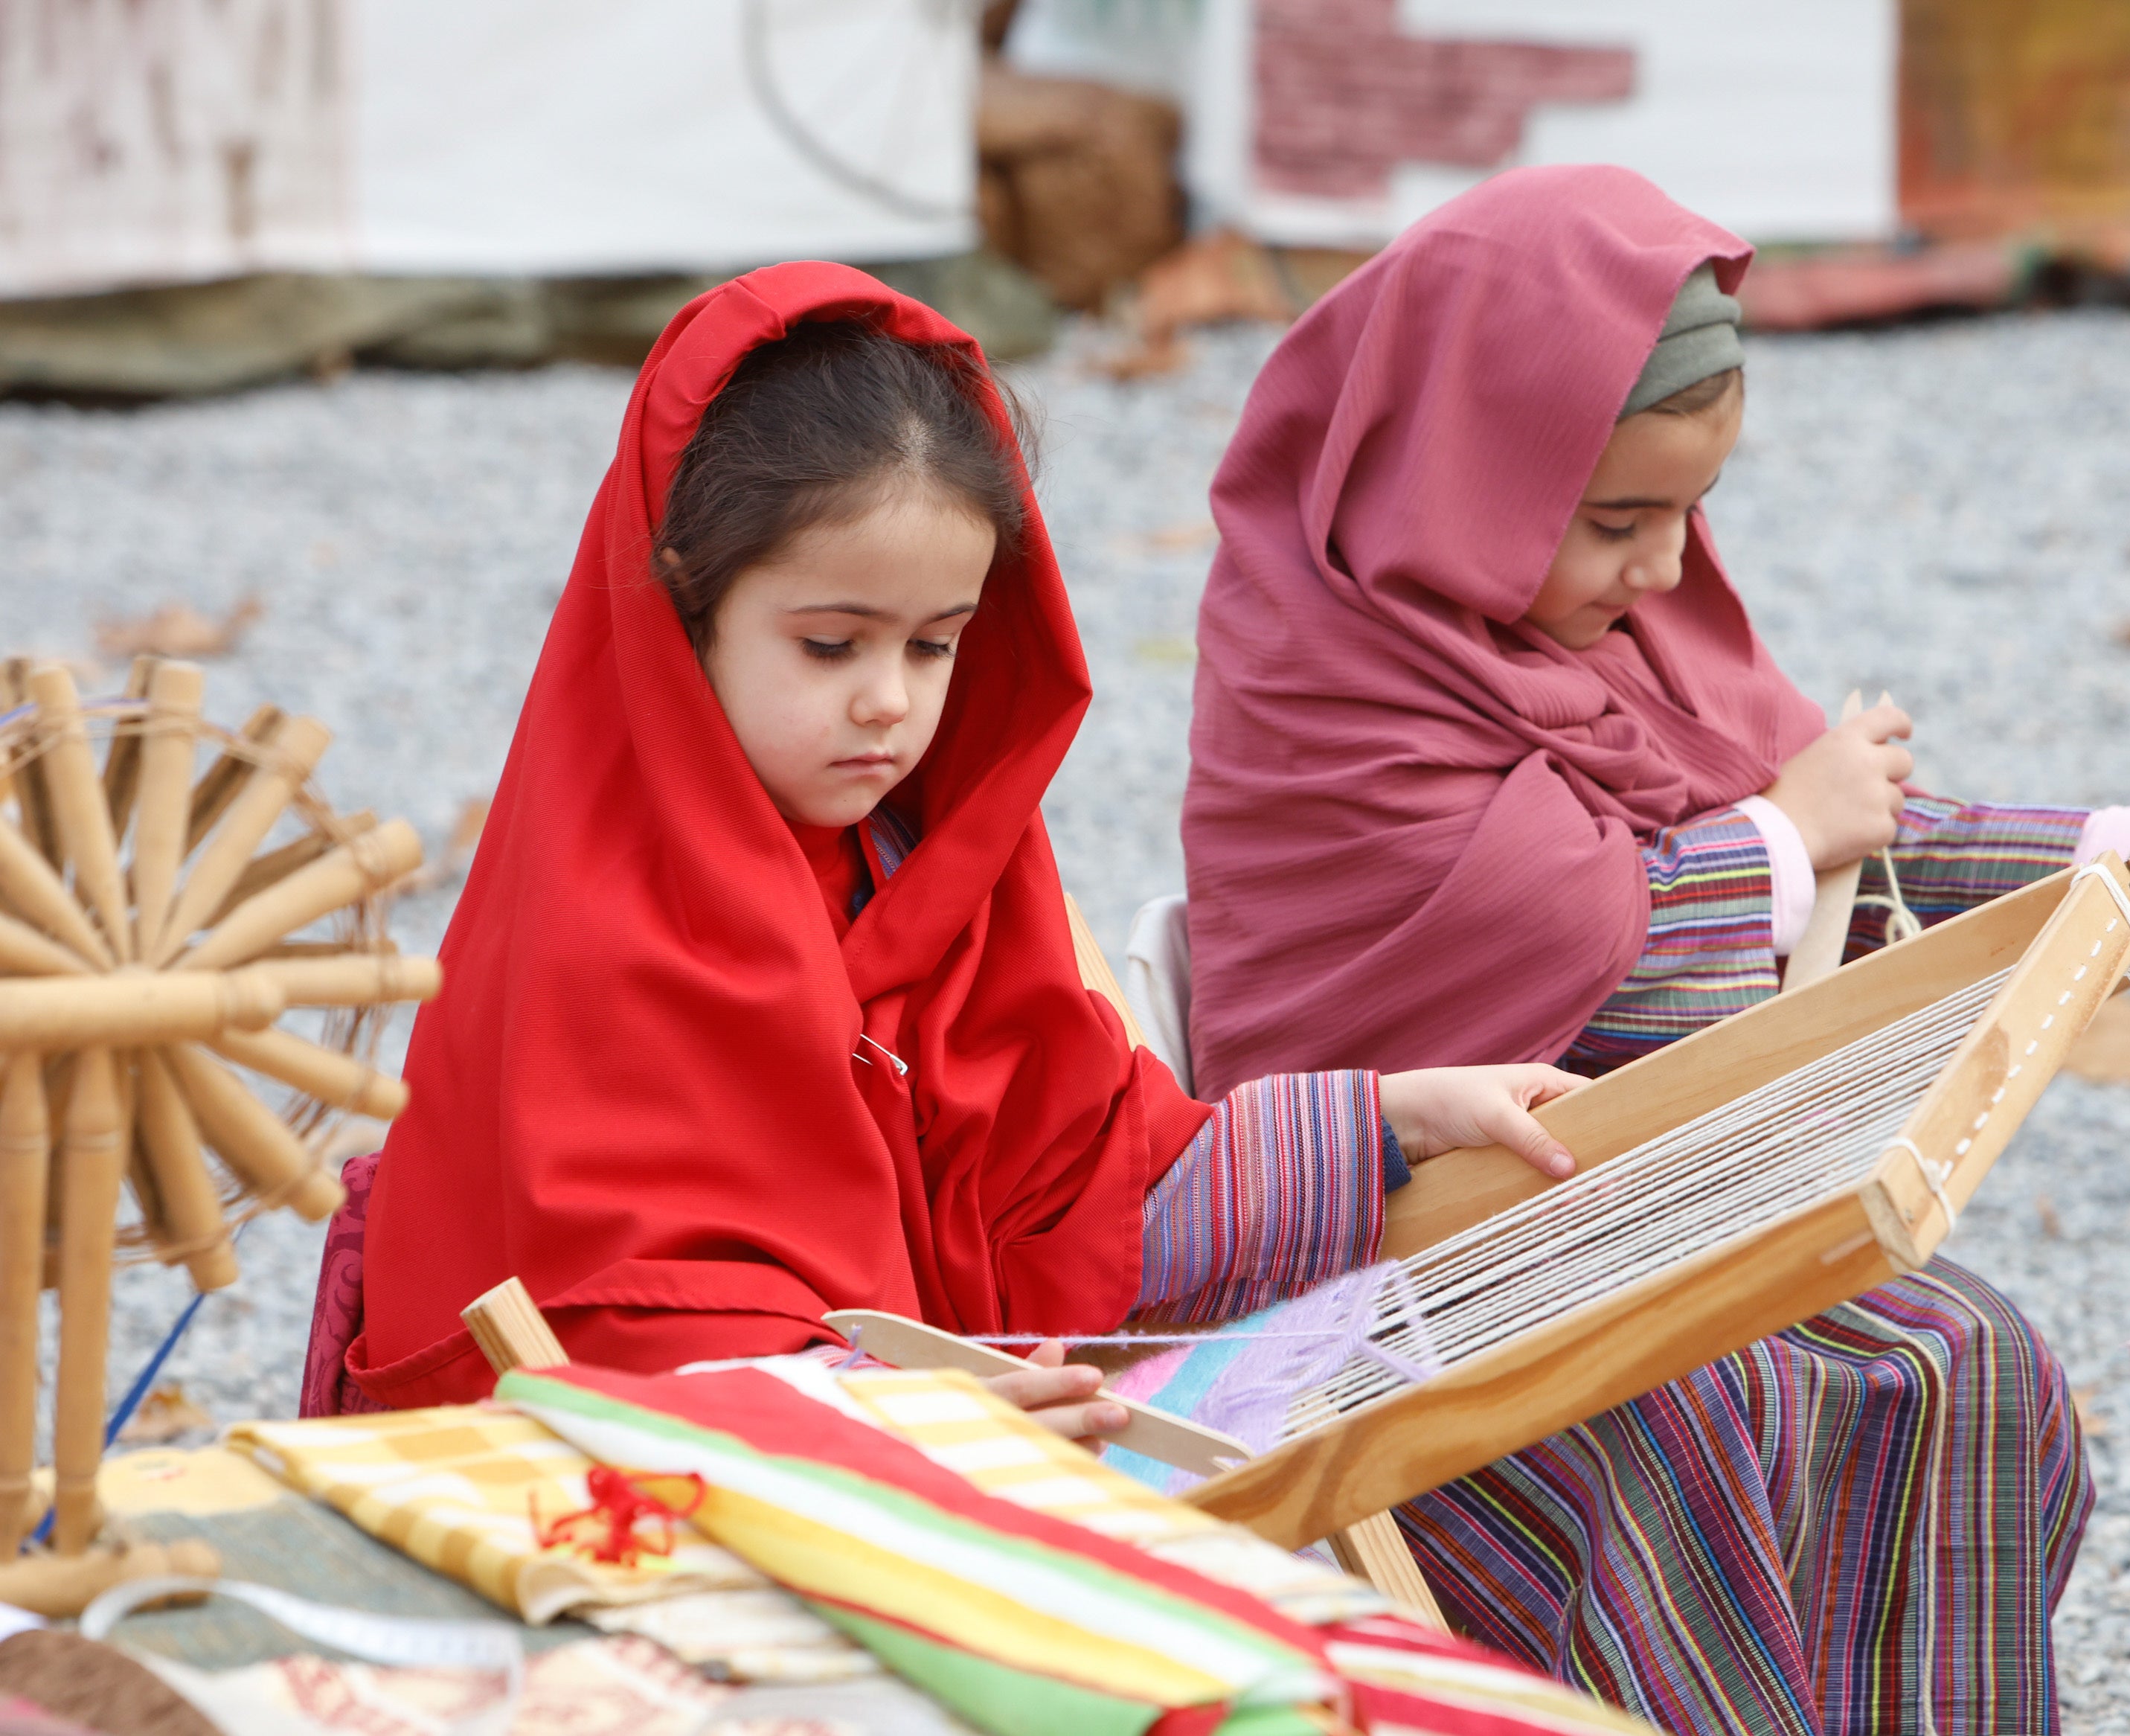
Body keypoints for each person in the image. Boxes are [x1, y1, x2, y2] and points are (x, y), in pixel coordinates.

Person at [1178, 166, 2130, 1734]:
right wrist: (1779, 837)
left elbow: (1858, 839)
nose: (1661, 573)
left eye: (1687, 517)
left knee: (1959, 1360)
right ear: (1463, 476)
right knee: (1691, 1415)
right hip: (1392, 1248)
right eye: (1616, 523)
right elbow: (1577, 935)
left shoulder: (1603, 627)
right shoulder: (1325, 669)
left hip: (1640, 1191)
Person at [315, 263, 1583, 1426]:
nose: (889, 700)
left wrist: (1400, 1117)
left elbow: (1097, 1191)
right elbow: (633, 1350)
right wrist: (931, 1420)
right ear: (681, 610)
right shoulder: (604, 934)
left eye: (934, 645)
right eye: (831, 644)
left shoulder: (933, 876)